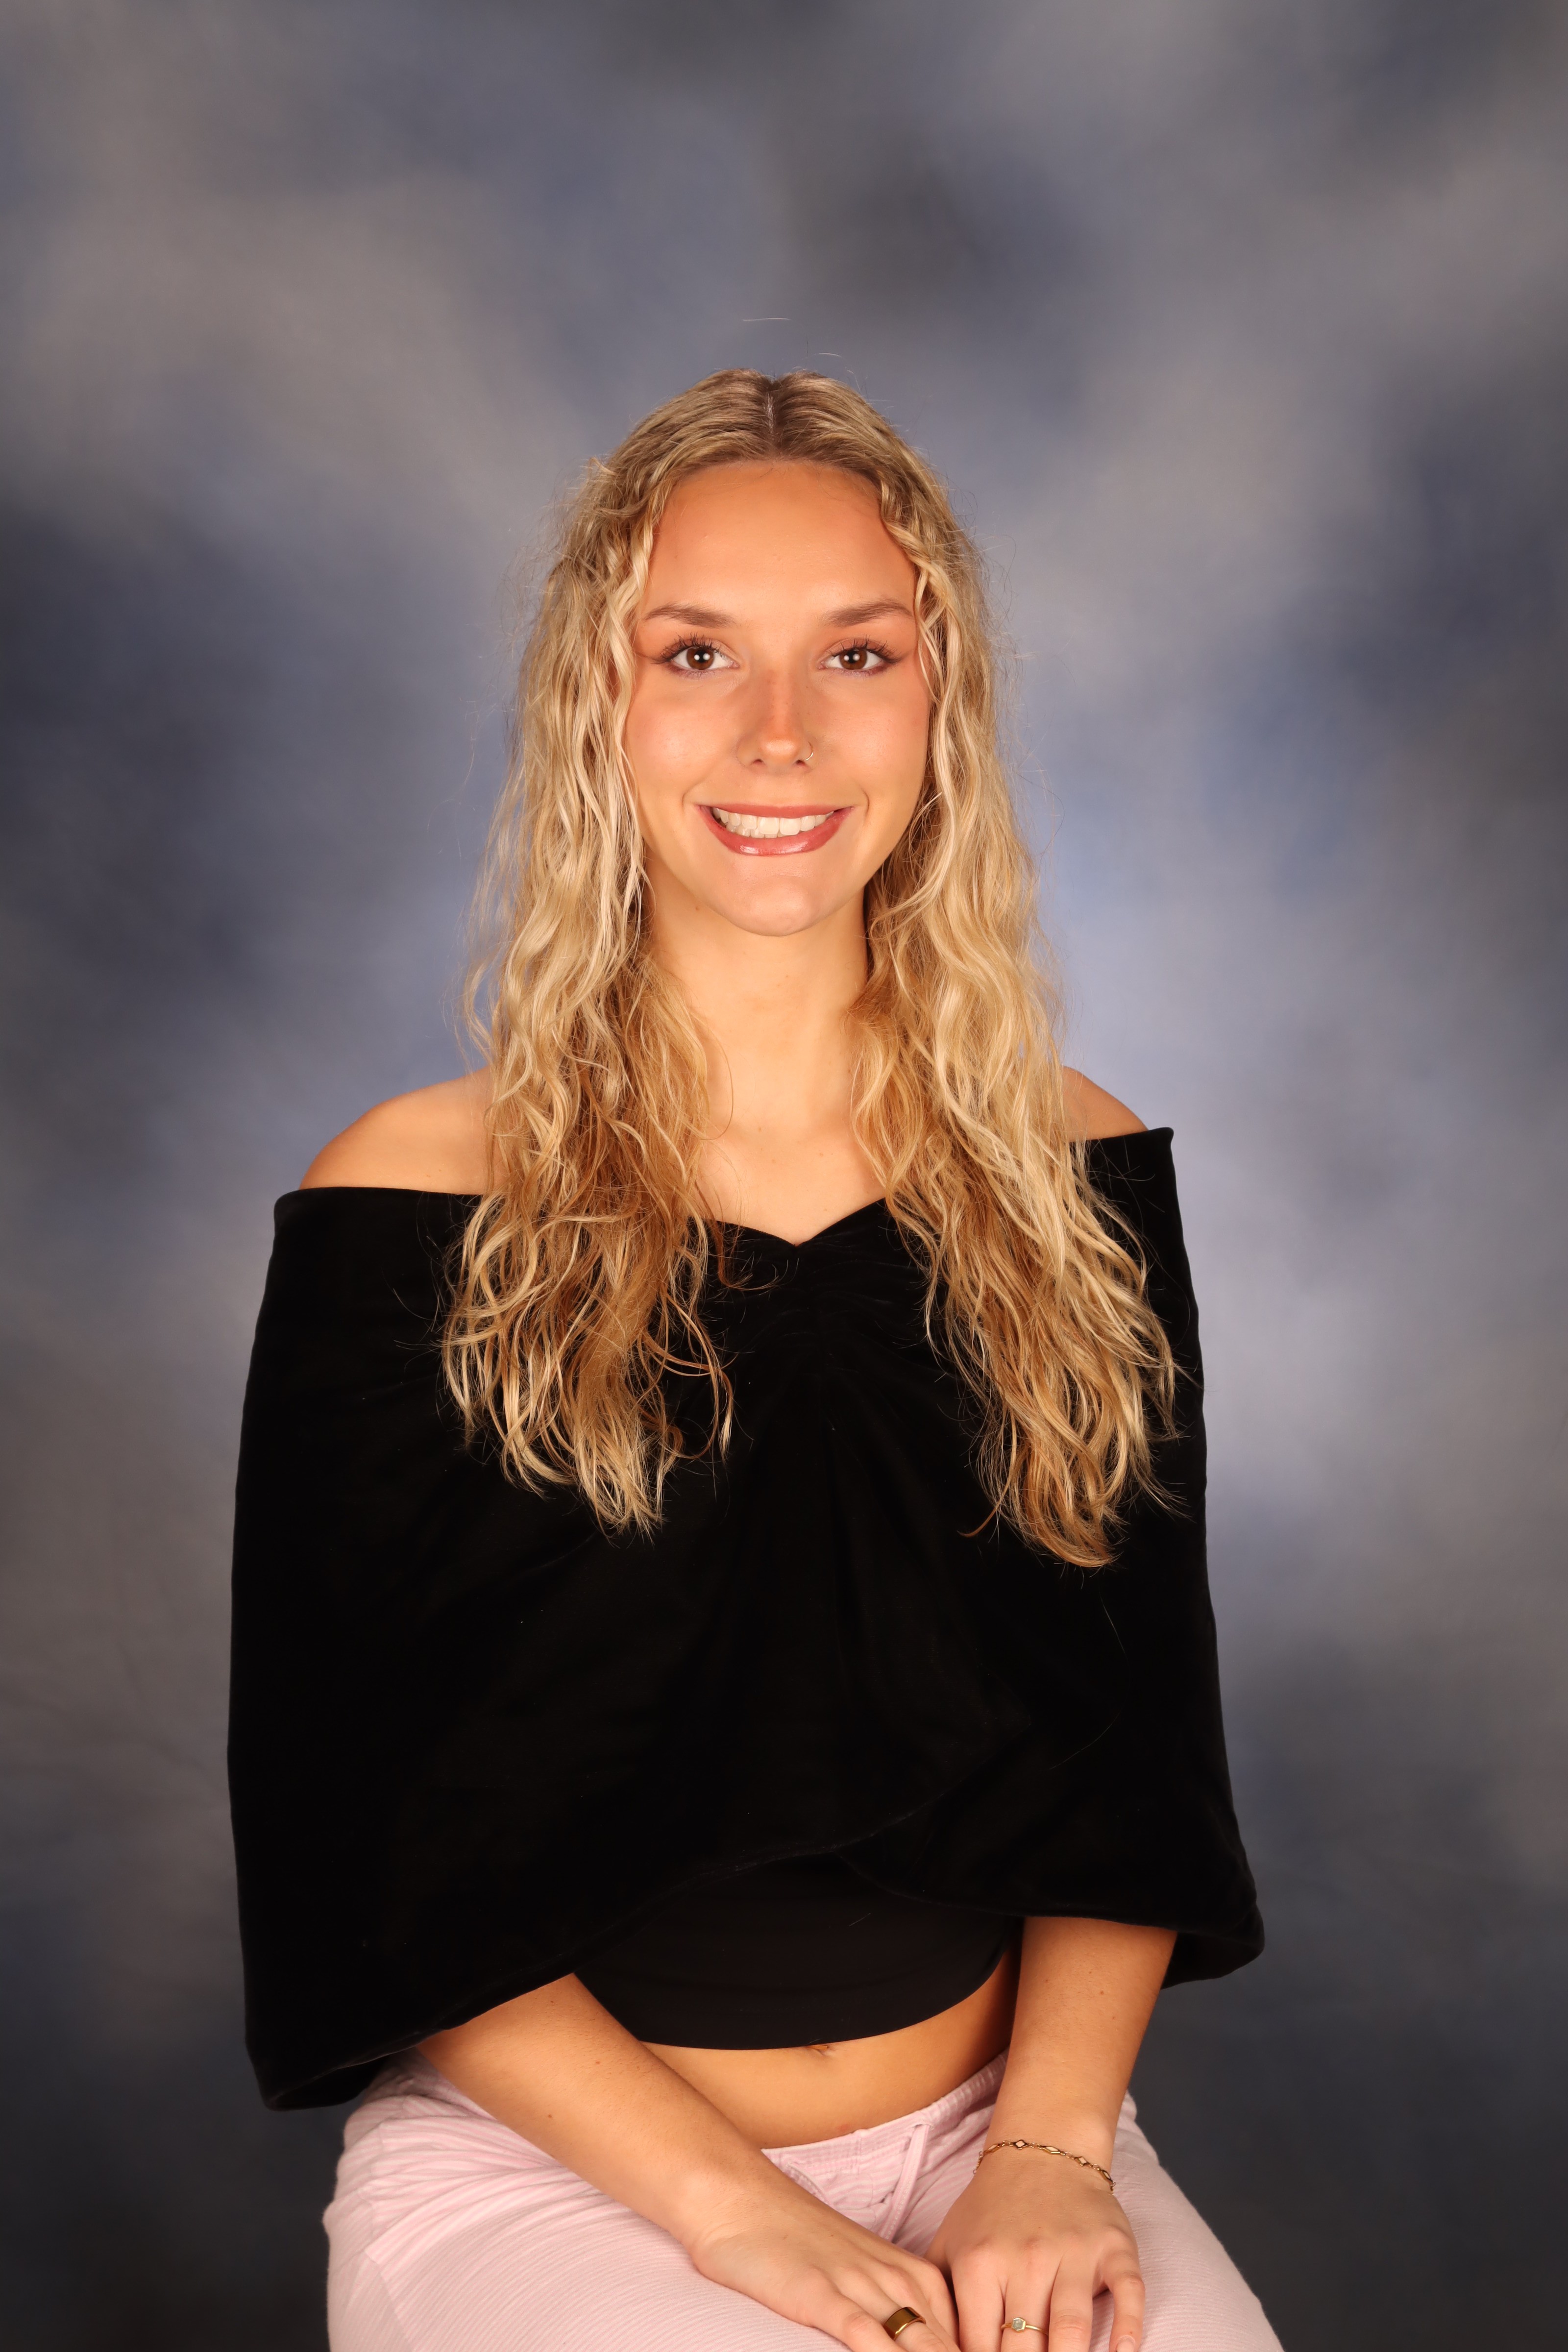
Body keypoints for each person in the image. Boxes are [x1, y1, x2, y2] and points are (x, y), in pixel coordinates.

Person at [228, 370, 1278, 2352]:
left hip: (999, 2137)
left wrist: (1047, 2151)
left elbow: (1131, 1754)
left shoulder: (1070, 1169)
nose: (779, 732)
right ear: (597, 708)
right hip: (557, 2173)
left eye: (855, 653)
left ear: (938, 704)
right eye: (696, 652)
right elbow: (356, 1831)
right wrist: (740, 2221)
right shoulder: (412, 1202)